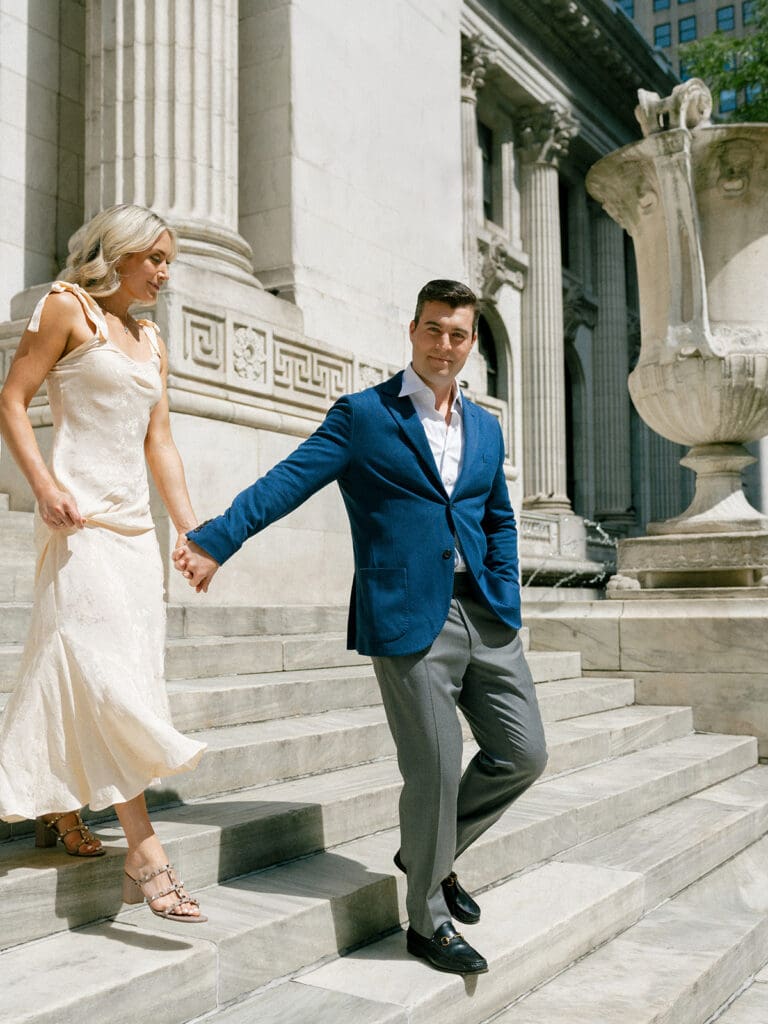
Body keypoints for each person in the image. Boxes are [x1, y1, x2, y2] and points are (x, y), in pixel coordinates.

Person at [174, 279, 548, 967]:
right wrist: (215, 539)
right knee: (433, 768)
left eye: (458, 334)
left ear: (471, 344)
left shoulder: (486, 426)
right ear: (412, 331)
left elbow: (497, 515)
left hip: (484, 612)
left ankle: (425, 852)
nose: (445, 345)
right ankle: (426, 920)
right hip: (410, 616)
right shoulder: (364, 416)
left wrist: (509, 600)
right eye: (434, 330)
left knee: (524, 753)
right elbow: (286, 481)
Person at [0, 204, 207, 922]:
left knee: (99, 671)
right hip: (78, 524)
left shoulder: (152, 341)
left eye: (169, 260)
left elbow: (162, 442)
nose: (163, 272)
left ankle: (57, 808)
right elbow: (13, 399)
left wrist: (190, 529)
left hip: (131, 535)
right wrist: (45, 486)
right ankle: (145, 854)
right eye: (155, 257)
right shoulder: (67, 307)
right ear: (116, 254)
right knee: (102, 673)